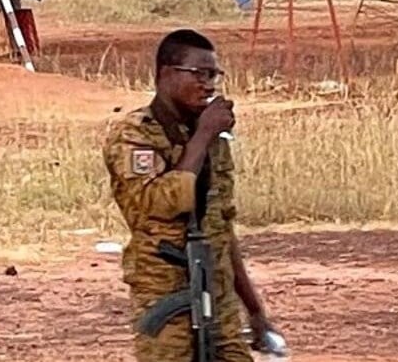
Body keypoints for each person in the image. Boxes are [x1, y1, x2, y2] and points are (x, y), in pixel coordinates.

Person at [103, 29, 280, 361]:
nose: (209, 84)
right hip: (165, 291)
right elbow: (154, 203)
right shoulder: (135, 134)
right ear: (166, 74)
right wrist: (203, 136)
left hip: (218, 292)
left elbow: (222, 228)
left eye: (214, 75)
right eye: (200, 73)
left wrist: (254, 310)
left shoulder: (209, 136)